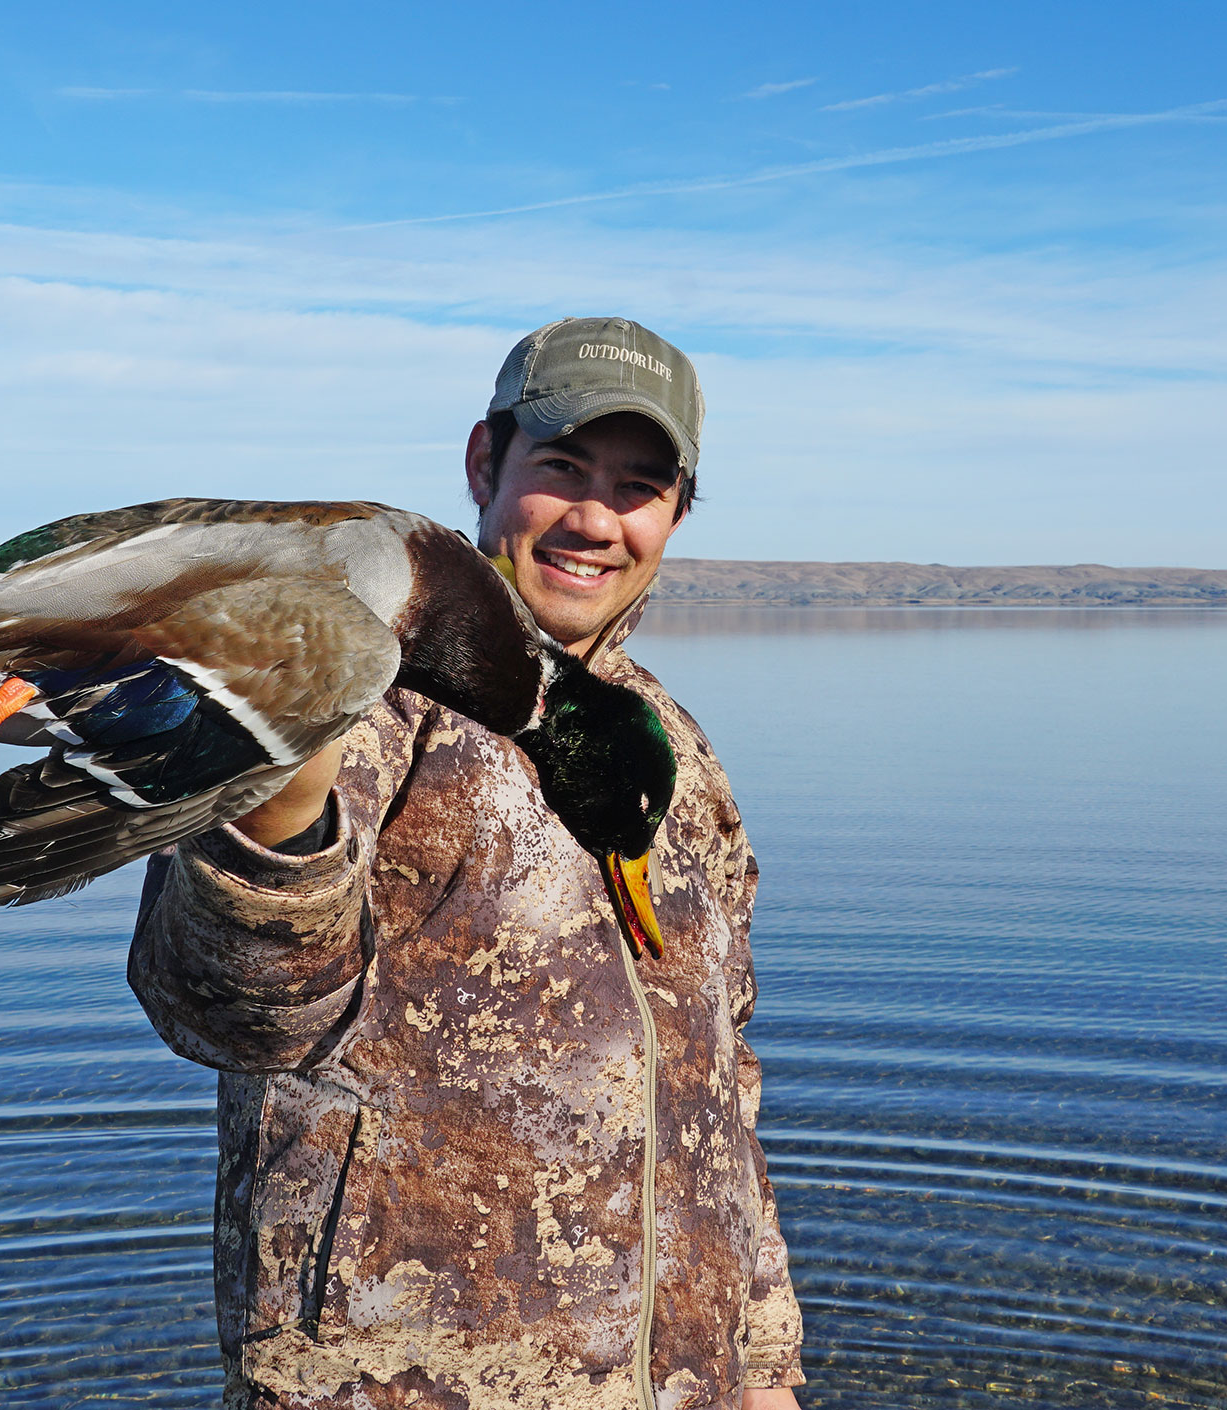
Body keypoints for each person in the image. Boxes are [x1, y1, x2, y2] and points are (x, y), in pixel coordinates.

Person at [129, 317, 804, 1409]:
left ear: (676, 513)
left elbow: (722, 1094)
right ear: (484, 466)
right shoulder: (365, 703)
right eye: (561, 467)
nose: (594, 517)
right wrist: (278, 814)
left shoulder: (671, 754)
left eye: (638, 485)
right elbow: (229, 1013)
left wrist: (765, 1366)